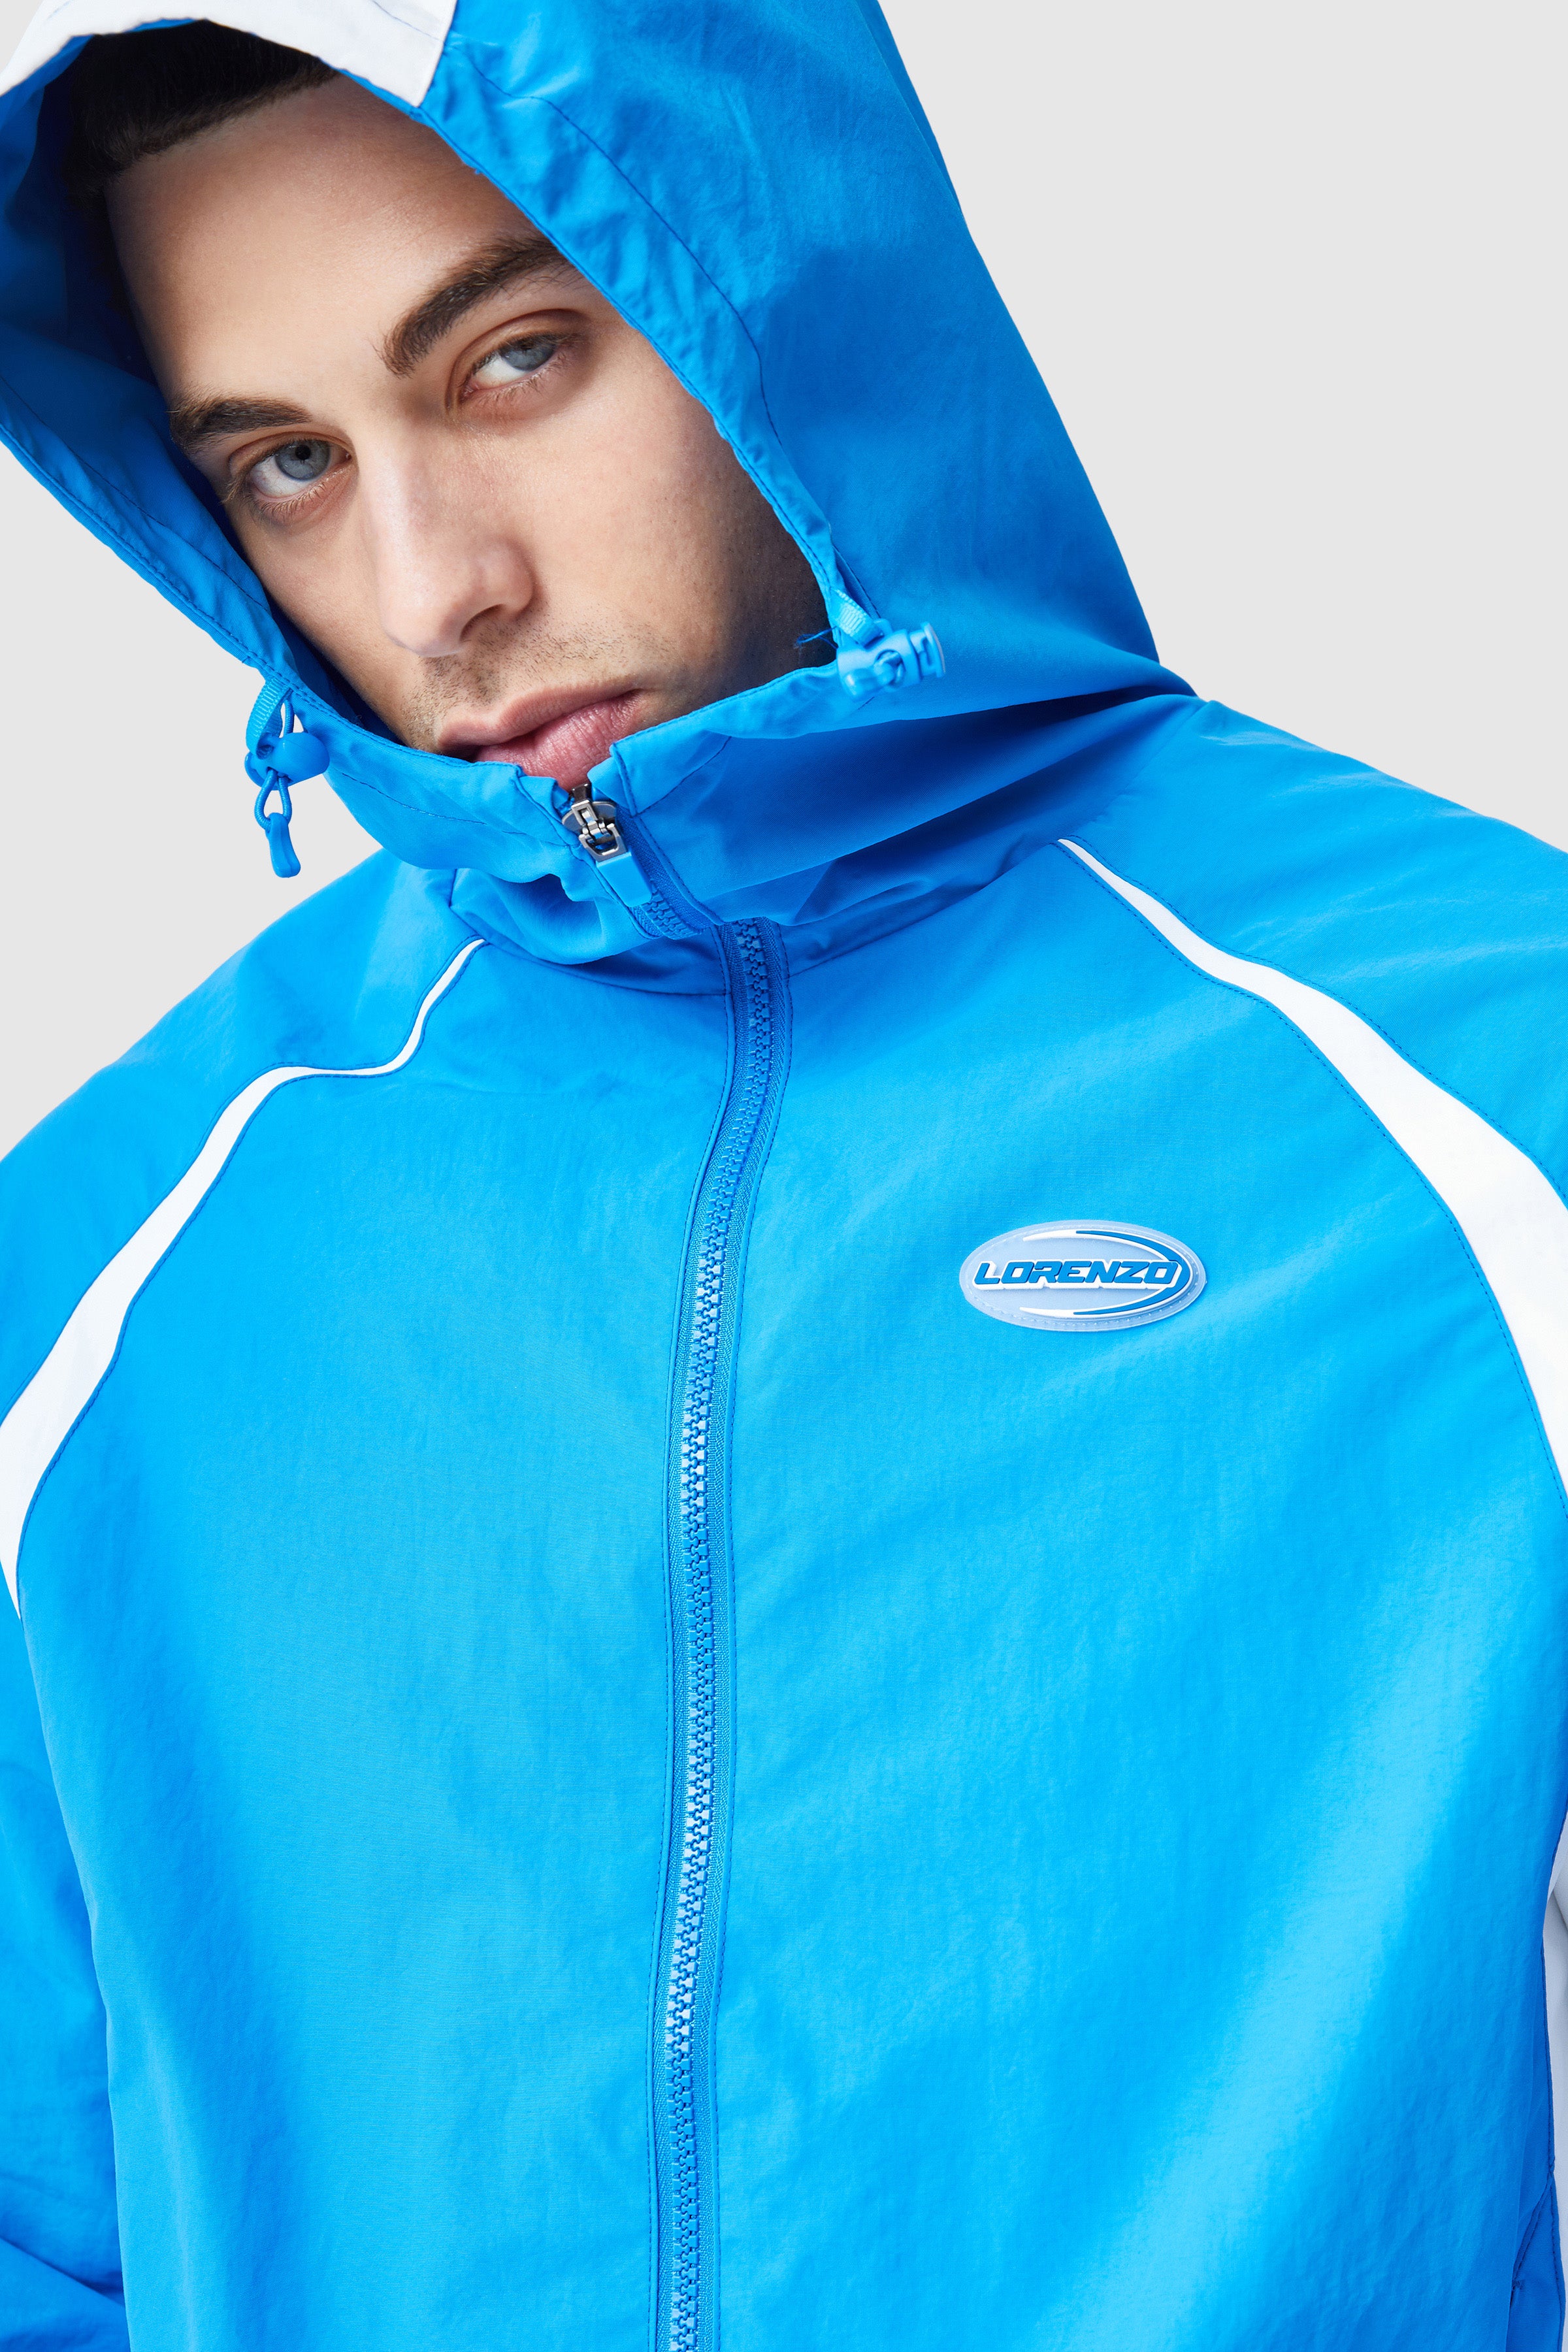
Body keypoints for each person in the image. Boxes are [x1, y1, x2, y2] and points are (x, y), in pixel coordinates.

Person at [0, 5, 1564, 2349]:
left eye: (516, 360)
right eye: (290, 464)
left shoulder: (1491, 1087)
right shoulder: (110, 1268)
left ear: (774, 274)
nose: (432, 590)